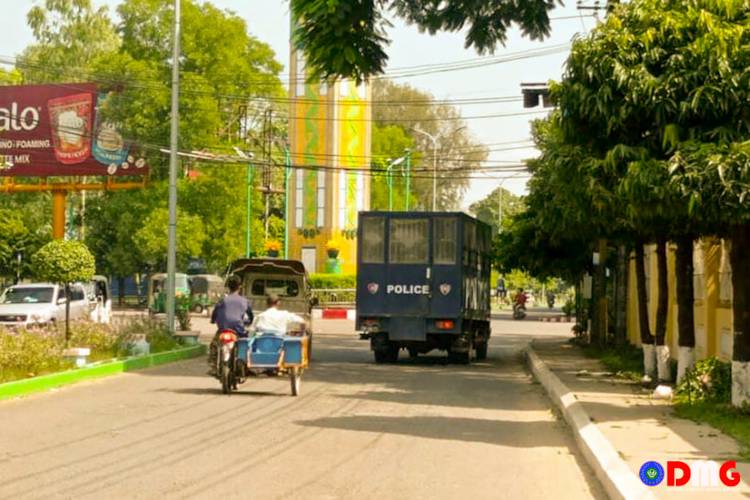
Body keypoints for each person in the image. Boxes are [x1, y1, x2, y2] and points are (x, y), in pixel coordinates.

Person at [208, 275, 253, 375]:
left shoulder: (223, 300)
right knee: (246, 344)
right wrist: (249, 322)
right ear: (240, 287)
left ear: (228, 287)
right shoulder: (244, 301)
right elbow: (250, 315)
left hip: (223, 329)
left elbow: (215, 313)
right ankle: (245, 365)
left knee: (214, 345)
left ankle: (214, 367)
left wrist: (213, 320)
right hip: (238, 329)